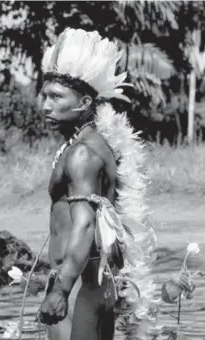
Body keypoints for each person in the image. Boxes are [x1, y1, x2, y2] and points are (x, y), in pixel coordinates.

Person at [35, 28, 193, 340]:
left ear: (84, 101)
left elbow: (85, 226)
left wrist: (61, 290)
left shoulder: (82, 154)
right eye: (44, 95)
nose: (45, 106)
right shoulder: (88, 143)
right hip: (90, 281)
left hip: (80, 282)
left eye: (56, 97)